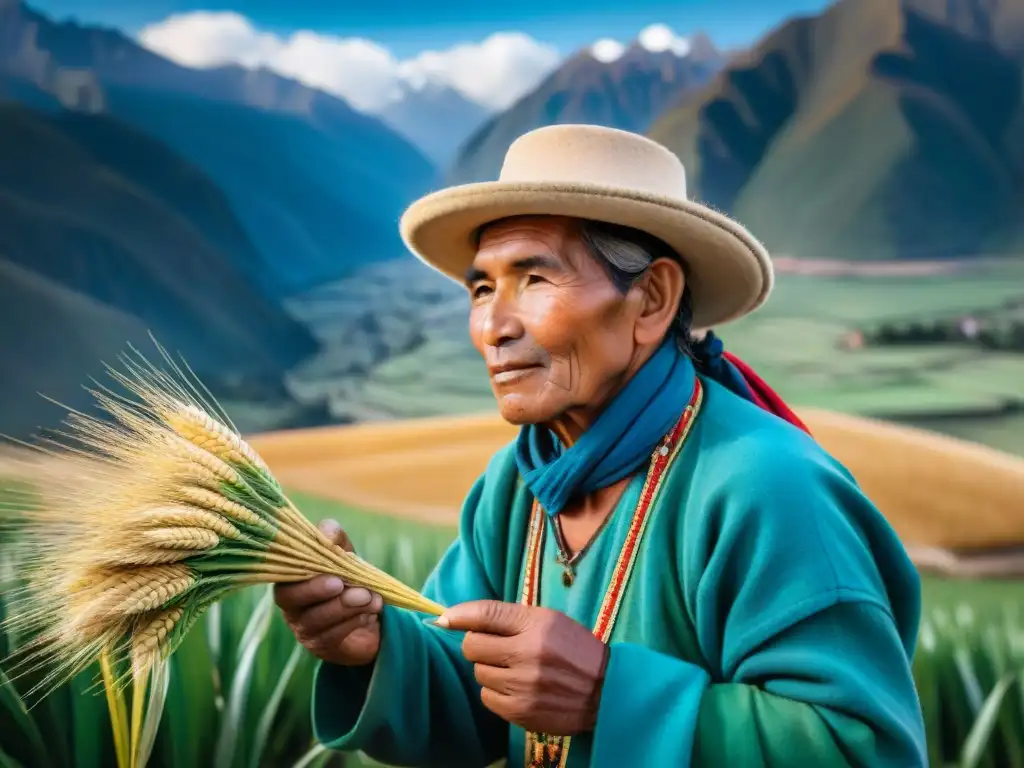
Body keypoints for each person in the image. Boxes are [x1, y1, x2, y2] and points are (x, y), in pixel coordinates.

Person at [274, 124, 926, 767]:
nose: (494, 327)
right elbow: (470, 687)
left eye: (533, 280)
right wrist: (374, 648)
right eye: (481, 289)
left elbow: (862, 747)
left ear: (651, 299)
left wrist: (607, 695)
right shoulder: (515, 485)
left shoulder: (770, 487)